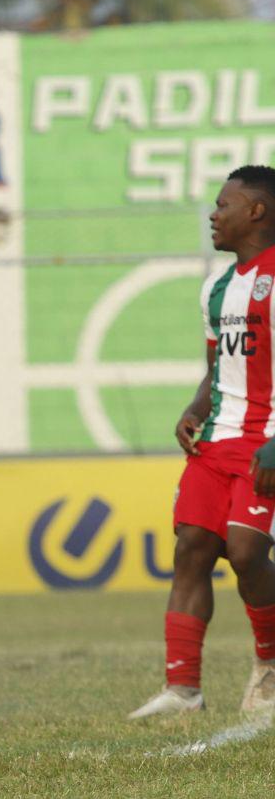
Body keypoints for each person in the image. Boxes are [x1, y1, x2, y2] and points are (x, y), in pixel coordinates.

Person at [128, 165, 275, 720]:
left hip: (266, 443)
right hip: (215, 443)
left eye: (223, 205)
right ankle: (182, 689)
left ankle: (269, 666)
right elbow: (218, 370)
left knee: (245, 552)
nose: (213, 215)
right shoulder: (215, 288)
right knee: (191, 547)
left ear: (255, 212)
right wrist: (193, 410)